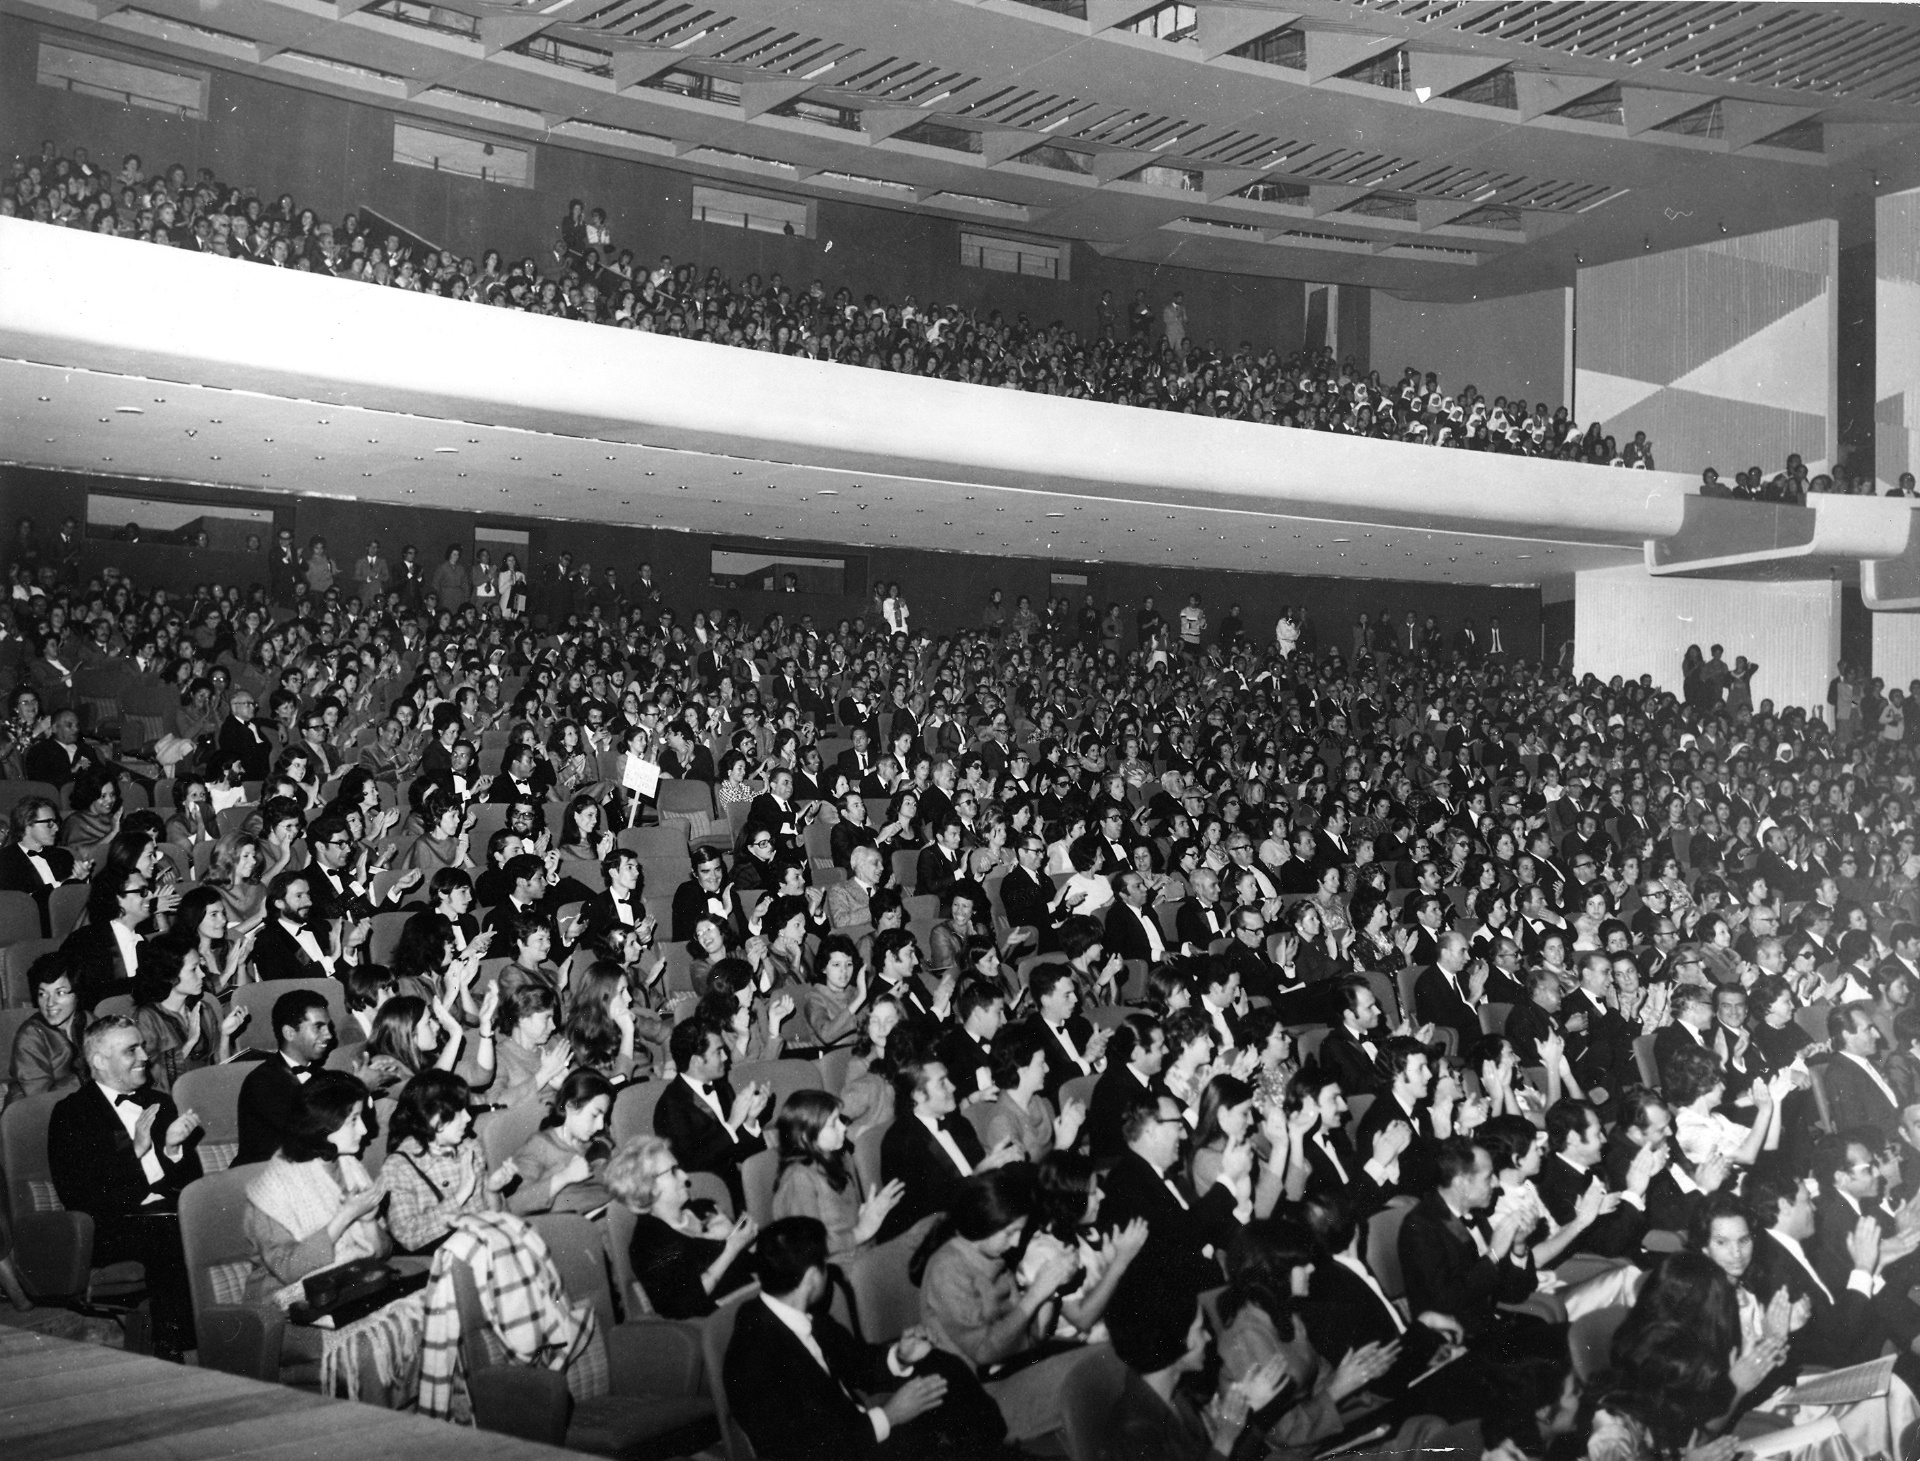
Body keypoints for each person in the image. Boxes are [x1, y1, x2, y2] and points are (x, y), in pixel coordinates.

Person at [722, 1215, 1006, 1460]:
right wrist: (890, 1416)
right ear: (810, 1279)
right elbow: (805, 1451)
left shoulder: (796, 1313)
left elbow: (858, 1361)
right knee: (940, 1438)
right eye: (823, 1263)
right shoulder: (752, 1358)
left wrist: (901, 1356)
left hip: (855, 1430)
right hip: (843, 1452)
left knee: (944, 1368)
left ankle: (997, 1448)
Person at [47, 1013, 204, 1359]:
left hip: (166, 1212)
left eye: (142, 1047)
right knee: (169, 1228)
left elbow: (192, 1183)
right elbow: (82, 1196)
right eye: (131, 1051)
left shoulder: (160, 1103)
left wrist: (172, 1149)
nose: (145, 1057)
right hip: (111, 1226)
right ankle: (181, 1350)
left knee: (202, 1217)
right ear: (99, 1062)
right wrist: (135, 1151)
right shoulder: (73, 1115)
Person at [911, 1166, 1093, 1441]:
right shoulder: (947, 1270)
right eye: (1011, 1232)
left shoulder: (995, 1257)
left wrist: (1051, 1289)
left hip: (1011, 1366)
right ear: (984, 1224)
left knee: (1105, 1363)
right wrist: (1036, 1293)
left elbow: (1034, 1336)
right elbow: (985, 1351)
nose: (1017, 1241)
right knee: (1093, 1382)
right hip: (978, 1392)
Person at [604, 1134, 757, 1318]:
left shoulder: (703, 1208)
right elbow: (683, 1306)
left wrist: (747, 1237)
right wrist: (731, 1248)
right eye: (674, 1171)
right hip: (717, 1323)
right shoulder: (648, 1245)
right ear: (649, 1187)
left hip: (752, 1299)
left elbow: (753, 1263)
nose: (685, 1176)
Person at [878, 1055, 1021, 1241]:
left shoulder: (957, 1122)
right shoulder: (899, 1142)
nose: (953, 1087)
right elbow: (923, 1209)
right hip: (940, 1234)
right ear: (919, 1095)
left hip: (978, 1213)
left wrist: (998, 1161)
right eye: (942, 1083)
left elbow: (980, 1168)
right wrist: (978, 1174)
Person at [381, 1071, 513, 1256]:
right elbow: (408, 1236)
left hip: (481, 1248)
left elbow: (497, 1219)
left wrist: (493, 1190)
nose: (468, 1118)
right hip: (440, 1260)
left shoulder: (470, 1148)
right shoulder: (399, 1166)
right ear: (433, 1117)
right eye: (459, 1112)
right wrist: (459, 1197)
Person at [653, 1017, 771, 1213]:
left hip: (738, 1189)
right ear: (697, 1061)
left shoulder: (721, 1086)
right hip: (705, 1203)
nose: (726, 1057)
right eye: (718, 1051)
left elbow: (742, 1153)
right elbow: (692, 1168)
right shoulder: (671, 1107)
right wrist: (732, 1124)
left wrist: (750, 1119)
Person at [771, 1090, 906, 1256]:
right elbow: (808, 1247)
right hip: (834, 1268)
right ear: (806, 1136)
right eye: (833, 1123)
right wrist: (860, 1232)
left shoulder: (837, 1159)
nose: (843, 1128)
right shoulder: (798, 1178)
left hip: (859, 1253)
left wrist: (865, 1214)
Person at [236, 988, 334, 1165]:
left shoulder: (323, 1076)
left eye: (328, 1027)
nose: (329, 1035)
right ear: (289, 1033)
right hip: (262, 1177)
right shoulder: (261, 1082)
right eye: (319, 1027)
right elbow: (307, 1132)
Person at [506, 1068, 614, 1217]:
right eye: (595, 1115)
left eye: (604, 1117)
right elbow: (513, 1205)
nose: (601, 1125)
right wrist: (565, 1177)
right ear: (570, 1106)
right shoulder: (539, 1146)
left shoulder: (595, 1142)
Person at [6, 951, 83, 1107]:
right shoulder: (31, 1036)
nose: (49, 1003)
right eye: (42, 994)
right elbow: (40, 1097)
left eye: (60, 993)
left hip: (78, 1106)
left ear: (78, 994)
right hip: (34, 1112)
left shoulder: (88, 1021)